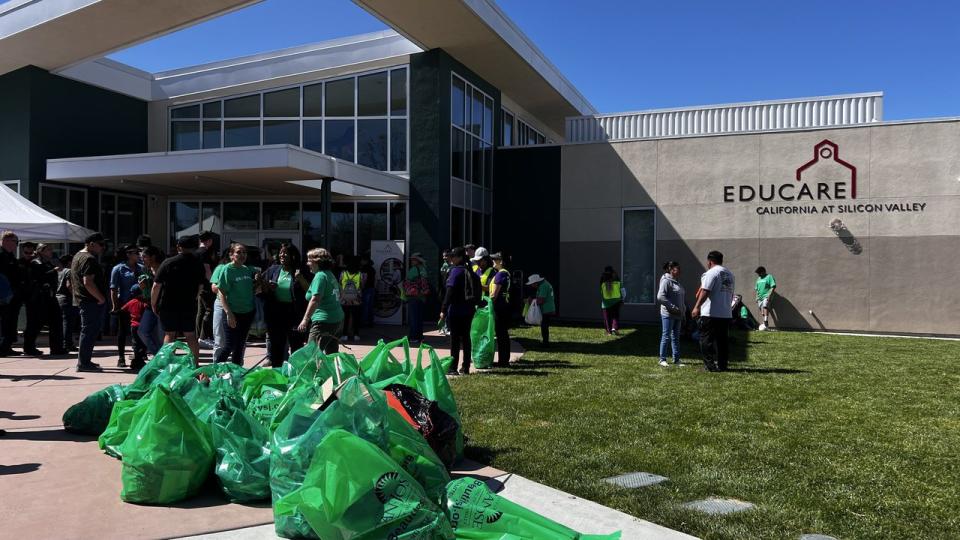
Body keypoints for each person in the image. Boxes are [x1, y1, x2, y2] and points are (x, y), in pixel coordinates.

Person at [152, 235, 205, 362]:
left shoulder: (168, 262)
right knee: (191, 335)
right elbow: (201, 286)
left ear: (178, 247)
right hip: (188, 304)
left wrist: (153, 303)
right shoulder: (197, 263)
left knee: (169, 334)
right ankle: (195, 364)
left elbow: (156, 286)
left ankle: (166, 364)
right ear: (192, 247)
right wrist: (194, 298)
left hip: (168, 304)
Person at [262, 244, 311, 367]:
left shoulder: (301, 270)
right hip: (276, 313)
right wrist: (267, 285)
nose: (282, 255)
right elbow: (261, 288)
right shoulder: (273, 269)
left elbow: (310, 292)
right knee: (277, 346)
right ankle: (277, 373)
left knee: (296, 345)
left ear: (293, 256)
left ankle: (295, 374)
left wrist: (300, 279)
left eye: (285, 253)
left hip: (294, 313)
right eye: (280, 252)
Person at [213, 243, 257, 365]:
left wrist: (258, 282)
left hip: (247, 312)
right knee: (229, 345)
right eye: (238, 252)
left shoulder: (247, 269)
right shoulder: (227, 269)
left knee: (240, 346)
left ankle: (236, 375)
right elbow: (221, 293)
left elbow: (250, 289)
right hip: (233, 312)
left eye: (244, 252)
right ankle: (214, 372)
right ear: (231, 255)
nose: (242, 255)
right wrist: (229, 313)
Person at [691, 250, 735, 372]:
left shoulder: (711, 273)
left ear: (710, 262)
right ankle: (722, 365)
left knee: (706, 340)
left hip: (711, 313)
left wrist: (697, 307)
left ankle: (710, 366)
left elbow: (705, 291)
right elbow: (731, 295)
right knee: (722, 341)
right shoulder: (730, 275)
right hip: (725, 313)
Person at [71, 233, 109, 372]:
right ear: (91, 244)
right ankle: (83, 364)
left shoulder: (77, 256)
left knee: (88, 331)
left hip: (84, 300)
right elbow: (88, 282)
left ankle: (85, 361)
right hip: (91, 301)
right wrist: (101, 298)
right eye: (101, 244)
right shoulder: (89, 259)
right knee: (89, 331)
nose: (103, 248)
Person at [298, 248, 344, 354]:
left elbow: (315, 300)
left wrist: (305, 320)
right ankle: (330, 371)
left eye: (309, 260)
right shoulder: (330, 274)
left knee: (311, 354)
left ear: (317, 262)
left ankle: (312, 371)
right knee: (331, 353)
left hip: (323, 321)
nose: (307, 263)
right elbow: (341, 293)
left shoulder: (320, 276)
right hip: (337, 319)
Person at [24, 243, 65, 355]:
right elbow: (39, 277)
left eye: (51, 249)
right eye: (48, 250)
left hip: (50, 296)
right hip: (39, 297)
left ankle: (57, 348)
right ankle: (29, 347)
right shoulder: (35, 262)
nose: (51, 251)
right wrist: (54, 270)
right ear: (41, 251)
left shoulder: (48, 262)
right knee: (36, 323)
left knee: (56, 321)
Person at [439, 247, 475, 375]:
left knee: (454, 340)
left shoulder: (455, 271)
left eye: (453, 256)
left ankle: (453, 368)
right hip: (469, 310)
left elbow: (450, 291)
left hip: (456, 310)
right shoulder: (469, 270)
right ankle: (465, 367)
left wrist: (443, 309)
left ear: (459, 258)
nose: (451, 258)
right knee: (466, 338)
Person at [109, 244, 143, 367]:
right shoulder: (118, 269)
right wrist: (115, 306)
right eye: (135, 252)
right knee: (123, 331)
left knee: (139, 330)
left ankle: (138, 356)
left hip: (140, 303)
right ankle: (121, 357)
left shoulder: (141, 268)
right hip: (124, 303)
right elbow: (113, 288)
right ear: (128, 254)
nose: (138, 255)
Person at [0, 230, 26, 357]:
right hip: (5, 296)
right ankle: (2, 347)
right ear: (5, 241)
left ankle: (7, 345)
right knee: (4, 322)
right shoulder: (1, 255)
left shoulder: (10, 256)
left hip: (14, 295)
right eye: (15, 241)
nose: (16, 244)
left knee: (11, 321)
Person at [657, 261, 686, 367]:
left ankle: (676, 359)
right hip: (668, 314)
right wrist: (672, 307)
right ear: (671, 268)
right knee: (666, 336)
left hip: (678, 314)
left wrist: (683, 310)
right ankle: (662, 359)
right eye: (677, 268)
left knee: (676, 337)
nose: (680, 271)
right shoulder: (666, 281)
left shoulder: (676, 281)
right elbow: (661, 297)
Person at [136, 246, 164, 355]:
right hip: (150, 304)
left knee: (162, 336)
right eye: (141, 257)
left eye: (145, 257)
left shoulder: (163, 268)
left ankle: (164, 359)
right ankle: (158, 356)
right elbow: (146, 290)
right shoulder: (145, 269)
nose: (142, 260)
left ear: (153, 257)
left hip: (162, 305)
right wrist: (142, 287)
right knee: (142, 331)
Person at [489, 252, 512, 367]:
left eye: (495, 259)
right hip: (505, 307)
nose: (493, 261)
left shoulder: (500, 275)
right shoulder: (506, 273)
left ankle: (503, 361)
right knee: (503, 334)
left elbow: (494, 295)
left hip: (499, 308)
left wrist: (486, 303)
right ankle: (504, 360)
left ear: (501, 261)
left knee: (501, 334)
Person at [196, 230, 217, 348]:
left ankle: (198, 336)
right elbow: (207, 270)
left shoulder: (196, 252)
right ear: (209, 241)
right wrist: (214, 283)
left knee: (200, 312)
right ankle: (204, 337)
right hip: (206, 286)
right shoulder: (205, 253)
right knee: (209, 310)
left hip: (199, 286)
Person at [208, 247, 230, 361]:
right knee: (220, 339)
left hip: (239, 306)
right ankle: (217, 369)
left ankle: (237, 368)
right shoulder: (220, 268)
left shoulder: (244, 269)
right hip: (221, 305)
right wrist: (229, 286)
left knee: (239, 342)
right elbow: (214, 288)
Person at [120, 284, 149, 371]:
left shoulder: (131, 302)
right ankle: (138, 361)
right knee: (143, 344)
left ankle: (136, 360)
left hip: (133, 326)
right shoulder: (144, 302)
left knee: (136, 344)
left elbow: (122, 310)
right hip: (142, 326)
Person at [404, 252, 428, 344]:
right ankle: (420, 336)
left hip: (413, 296)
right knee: (419, 318)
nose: (411, 261)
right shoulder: (423, 269)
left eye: (413, 259)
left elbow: (408, 279)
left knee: (413, 318)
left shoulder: (414, 269)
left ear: (417, 261)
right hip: (422, 296)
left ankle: (413, 337)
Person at [526, 274, 556, 346]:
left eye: (532, 284)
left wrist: (531, 301)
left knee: (544, 326)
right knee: (544, 326)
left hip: (546, 309)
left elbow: (541, 301)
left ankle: (545, 343)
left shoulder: (543, 286)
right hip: (548, 308)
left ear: (536, 282)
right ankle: (545, 341)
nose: (532, 286)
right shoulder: (544, 284)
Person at [56, 254, 78, 352]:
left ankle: (63, 343)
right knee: (68, 323)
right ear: (69, 262)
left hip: (58, 298)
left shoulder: (59, 271)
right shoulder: (69, 271)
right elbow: (69, 285)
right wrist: (75, 296)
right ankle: (67, 344)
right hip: (67, 299)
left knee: (61, 323)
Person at [339, 256, 363, 343]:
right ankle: (356, 334)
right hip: (356, 299)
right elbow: (362, 286)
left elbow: (340, 284)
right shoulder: (360, 274)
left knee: (345, 317)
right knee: (356, 317)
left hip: (345, 299)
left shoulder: (343, 273)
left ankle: (344, 334)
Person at [600, 266, 623, 336]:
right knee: (615, 316)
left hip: (606, 302)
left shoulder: (602, 280)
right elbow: (623, 290)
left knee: (607, 317)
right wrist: (622, 298)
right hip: (616, 300)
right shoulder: (617, 279)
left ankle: (609, 332)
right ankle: (615, 328)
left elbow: (601, 291)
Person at [755, 266, 777, 331]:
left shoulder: (769, 277)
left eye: (759, 273)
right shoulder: (758, 279)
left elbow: (773, 286)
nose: (758, 274)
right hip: (760, 297)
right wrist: (756, 297)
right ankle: (765, 325)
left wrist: (769, 295)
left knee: (765, 306)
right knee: (762, 312)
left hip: (766, 296)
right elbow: (756, 289)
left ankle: (765, 321)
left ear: (763, 272)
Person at [360, 255, 376, 327]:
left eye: (362, 260)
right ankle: (370, 321)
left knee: (365, 306)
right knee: (370, 306)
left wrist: (361, 287)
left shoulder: (364, 269)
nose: (361, 262)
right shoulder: (372, 269)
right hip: (372, 288)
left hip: (366, 288)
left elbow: (363, 280)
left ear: (365, 261)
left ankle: (364, 322)